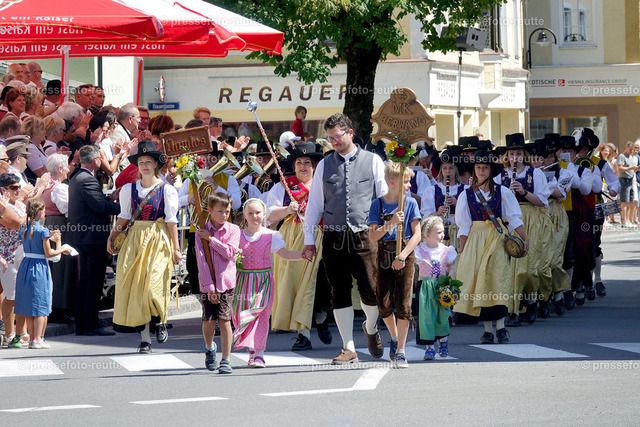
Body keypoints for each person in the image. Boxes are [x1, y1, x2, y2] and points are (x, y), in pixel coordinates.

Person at [302, 113, 388, 364]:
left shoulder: (373, 160)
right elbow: (315, 204)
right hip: (334, 236)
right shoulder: (324, 165)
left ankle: (370, 327)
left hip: (365, 235)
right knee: (338, 292)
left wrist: (387, 231)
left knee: (370, 289)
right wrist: (309, 239)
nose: (334, 142)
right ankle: (348, 347)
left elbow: (384, 199)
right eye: (330, 138)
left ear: (350, 133)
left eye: (337, 137)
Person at [108, 140, 181, 353]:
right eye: (141, 162)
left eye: (148, 162)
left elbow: (171, 221)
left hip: (158, 238)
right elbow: (123, 217)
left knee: (154, 285)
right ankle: (145, 339)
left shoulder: (167, 190)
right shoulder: (128, 189)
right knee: (138, 288)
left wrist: (176, 248)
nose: (145, 166)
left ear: (156, 164)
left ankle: (160, 320)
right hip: (135, 239)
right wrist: (111, 237)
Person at [453, 150, 528, 344]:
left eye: (485, 167)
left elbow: (514, 219)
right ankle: (487, 330)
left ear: (491, 170)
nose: (481, 171)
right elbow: (464, 226)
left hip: (497, 239)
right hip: (476, 241)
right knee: (481, 283)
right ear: (474, 170)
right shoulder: (466, 195)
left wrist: (524, 239)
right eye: (478, 167)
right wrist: (463, 251)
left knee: (497, 280)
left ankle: (501, 327)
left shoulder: (503, 192)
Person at [266, 141, 328, 351]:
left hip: (321, 237)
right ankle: (303, 334)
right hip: (292, 239)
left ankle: (320, 316)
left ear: (314, 165)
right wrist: (287, 210)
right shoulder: (283, 187)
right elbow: (268, 215)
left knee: (320, 284)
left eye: (307, 162)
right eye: (299, 162)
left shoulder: (324, 185)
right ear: (294, 166)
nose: (303, 166)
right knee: (297, 286)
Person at [233, 198, 303, 368]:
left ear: (264, 214)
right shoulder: (237, 235)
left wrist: (303, 255)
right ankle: (252, 351)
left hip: (263, 281)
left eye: (258, 213)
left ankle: (259, 354)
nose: (254, 216)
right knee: (244, 315)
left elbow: (285, 254)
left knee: (261, 316)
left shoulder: (271, 235)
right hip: (243, 281)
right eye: (250, 213)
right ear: (244, 215)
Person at [368, 162, 421, 368]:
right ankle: (394, 335)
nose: (409, 185)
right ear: (392, 182)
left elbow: (417, 234)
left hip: (404, 254)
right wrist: (390, 223)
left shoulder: (410, 203)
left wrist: (403, 256)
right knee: (383, 304)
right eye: (405, 182)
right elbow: (373, 236)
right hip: (383, 255)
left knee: (403, 304)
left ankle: (400, 351)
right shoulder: (377, 205)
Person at [494, 133, 551, 325]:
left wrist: (524, 191)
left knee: (530, 267)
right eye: (511, 154)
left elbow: (542, 202)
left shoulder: (535, 173)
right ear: (507, 156)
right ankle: (513, 309)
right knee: (510, 268)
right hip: (508, 220)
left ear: (524, 155)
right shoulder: (500, 175)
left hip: (529, 218)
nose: (515, 158)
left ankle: (532, 300)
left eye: (518, 153)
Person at [68, 145, 120, 336]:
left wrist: (110, 199)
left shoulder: (77, 177)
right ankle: (90, 323)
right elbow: (100, 207)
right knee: (93, 282)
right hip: (92, 238)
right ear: (96, 160)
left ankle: (83, 323)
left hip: (84, 237)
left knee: (86, 280)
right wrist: (125, 207)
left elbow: (96, 204)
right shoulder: (87, 179)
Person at [14, 199, 71, 349]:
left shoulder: (24, 229)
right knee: (41, 304)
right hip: (39, 267)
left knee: (29, 304)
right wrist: (62, 247)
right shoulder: (43, 231)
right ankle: (37, 339)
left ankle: (32, 339)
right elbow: (48, 253)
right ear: (40, 212)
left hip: (26, 265)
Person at [194, 192, 240, 374]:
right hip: (208, 284)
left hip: (226, 283)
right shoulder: (201, 232)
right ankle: (209, 347)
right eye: (220, 211)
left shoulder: (234, 230)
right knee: (209, 321)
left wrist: (211, 240)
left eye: (227, 212)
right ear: (210, 210)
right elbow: (202, 262)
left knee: (224, 320)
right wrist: (210, 288)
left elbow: (230, 253)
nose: (224, 215)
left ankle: (226, 359)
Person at [414, 216, 457, 360]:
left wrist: (451, 278)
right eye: (438, 232)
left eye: (443, 231)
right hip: (425, 287)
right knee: (427, 317)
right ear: (427, 235)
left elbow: (450, 266)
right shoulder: (419, 250)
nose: (442, 234)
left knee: (443, 316)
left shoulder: (446, 250)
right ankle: (430, 348)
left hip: (442, 286)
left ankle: (443, 342)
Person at [43, 154, 75, 325]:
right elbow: (69, 210)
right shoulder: (59, 188)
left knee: (52, 267)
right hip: (58, 226)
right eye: (67, 166)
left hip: (48, 226)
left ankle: (52, 307)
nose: (69, 169)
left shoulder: (45, 186)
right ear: (60, 169)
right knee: (60, 268)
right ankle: (58, 308)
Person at [0, 173, 28, 347]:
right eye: (14, 188)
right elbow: (17, 223)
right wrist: (29, 217)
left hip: (22, 252)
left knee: (22, 295)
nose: (18, 191)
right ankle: (9, 334)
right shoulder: (2, 205)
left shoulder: (19, 204)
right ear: (4, 189)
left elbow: (27, 222)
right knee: (11, 296)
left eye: (19, 187)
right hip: (7, 255)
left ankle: (21, 332)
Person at [616, 141, 639, 225]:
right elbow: (620, 168)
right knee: (624, 201)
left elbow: (631, 169)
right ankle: (624, 220)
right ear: (626, 147)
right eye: (630, 149)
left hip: (631, 180)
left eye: (632, 149)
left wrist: (636, 168)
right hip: (624, 180)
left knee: (630, 201)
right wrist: (631, 168)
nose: (631, 151)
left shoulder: (631, 157)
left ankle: (628, 220)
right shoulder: (622, 156)